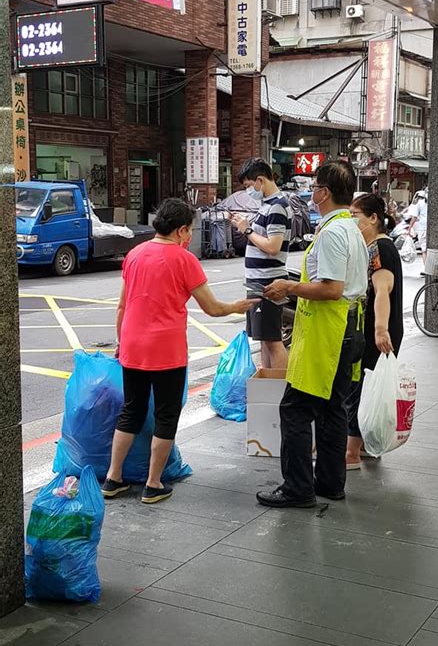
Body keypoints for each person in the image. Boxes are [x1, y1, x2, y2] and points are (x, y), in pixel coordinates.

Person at [102, 198, 256, 505]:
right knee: (166, 414)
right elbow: (212, 308)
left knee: (131, 411)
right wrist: (237, 307)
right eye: (189, 232)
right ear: (182, 230)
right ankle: (153, 483)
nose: (189, 238)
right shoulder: (184, 260)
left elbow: (122, 305)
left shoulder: (134, 254)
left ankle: (113, 478)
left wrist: (122, 342)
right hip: (166, 350)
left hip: (132, 345)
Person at [256, 161, 368, 508]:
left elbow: (332, 289)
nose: (312, 191)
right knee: (333, 408)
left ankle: (298, 488)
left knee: (294, 409)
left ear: (325, 193)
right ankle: (331, 483)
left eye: (316, 185)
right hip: (346, 330)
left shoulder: (334, 232)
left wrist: (290, 286)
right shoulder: (350, 228)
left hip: (328, 334)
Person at [346, 194, 404, 469]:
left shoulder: (379, 247)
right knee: (367, 388)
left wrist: (380, 330)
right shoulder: (377, 245)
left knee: (362, 388)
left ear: (372, 218)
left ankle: (352, 454)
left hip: (377, 329)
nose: (351, 220)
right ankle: (367, 446)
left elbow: (382, 289)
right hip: (381, 327)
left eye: (355, 215)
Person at [231, 157, 292, 370]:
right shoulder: (267, 206)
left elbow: (273, 246)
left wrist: (247, 230)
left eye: (249, 186)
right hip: (260, 282)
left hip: (268, 282)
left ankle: (277, 391)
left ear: (260, 180)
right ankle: (267, 387)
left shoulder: (277, 206)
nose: (248, 190)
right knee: (265, 339)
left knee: (273, 341)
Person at [407, 188, 428, 272]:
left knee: (424, 250)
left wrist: (409, 228)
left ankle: (426, 269)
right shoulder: (435, 203)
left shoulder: (420, 203)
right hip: (432, 228)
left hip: (423, 228)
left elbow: (414, 217)